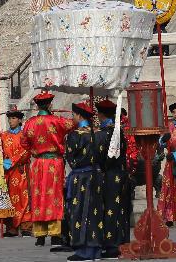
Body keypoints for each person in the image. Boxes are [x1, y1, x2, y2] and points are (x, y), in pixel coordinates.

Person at [21, 92, 75, 247]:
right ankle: (55, 233)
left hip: (37, 164)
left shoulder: (30, 123)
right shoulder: (57, 120)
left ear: (37, 106)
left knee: (38, 197)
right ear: (50, 104)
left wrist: (35, 150)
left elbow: (24, 143)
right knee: (54, 196)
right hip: (54, 163)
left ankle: (40, 234)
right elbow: (74, 124)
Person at [0, 107, 31, 237]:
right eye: (10, 118)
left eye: (14, 118)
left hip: (22, 171)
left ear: (20, 120)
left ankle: (26, 225)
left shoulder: (25, 135)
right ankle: (11, 227)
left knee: (24, 198)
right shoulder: (3, 136)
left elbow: (27, 151)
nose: (11, 121)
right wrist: (0, 161)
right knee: (9, 199)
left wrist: (13, 160)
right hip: (7, 173)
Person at [64, 101, 101, 262]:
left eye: (73, 115)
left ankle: (83, 251)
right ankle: (96, 251)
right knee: (95, 212)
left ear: (79, 115)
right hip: (97, 176)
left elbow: (71, 160)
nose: (72, 118)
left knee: (79, 212)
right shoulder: (100, 133)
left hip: (81, 178)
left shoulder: (75, 135)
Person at [95, 100, 130, 258]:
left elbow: (102, 158)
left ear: (100, 114)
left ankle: (111, 245)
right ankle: (121, 241)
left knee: (109, 209)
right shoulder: (118, 131)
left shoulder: (104, 133)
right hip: (120, 174)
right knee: (120, 209)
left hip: (108, 175)